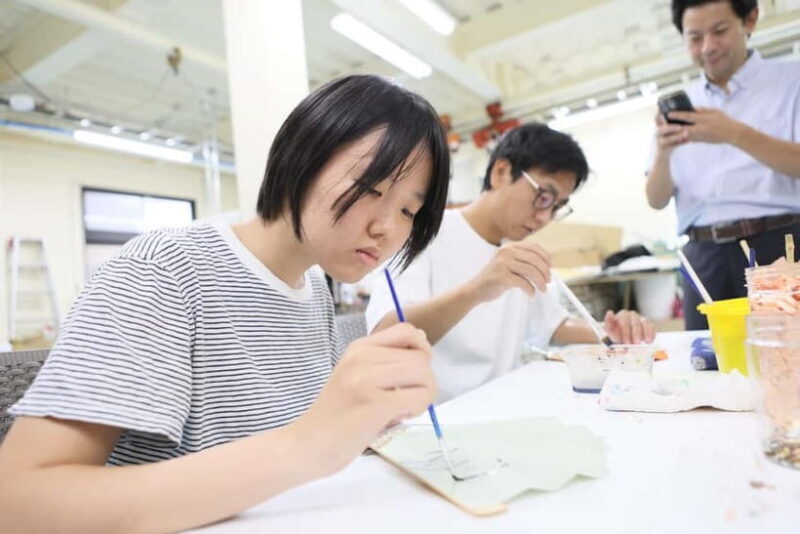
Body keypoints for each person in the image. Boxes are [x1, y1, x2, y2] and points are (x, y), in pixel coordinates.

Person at [0, 75, 450, 532]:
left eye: (408, 211)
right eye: (372, 187)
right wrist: (307, 444)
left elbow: (302, 440)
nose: (387, 229)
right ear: (302, 155)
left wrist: (360, 419)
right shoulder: (163, 270)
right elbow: (17, 504)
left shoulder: (314, 286)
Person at [366, 122, 655, 403]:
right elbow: (386, 335)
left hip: (504, 404)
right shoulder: (424, 234)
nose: (545, 218)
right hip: (440, 413)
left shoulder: (516, 251)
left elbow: (553, 324)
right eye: (544, 197)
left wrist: (609, 332)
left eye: (556, 207)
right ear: (501, 172)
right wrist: (477, 290)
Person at [646, 0, 800, 329]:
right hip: (703, 254)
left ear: (750, 19)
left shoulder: (792, 81)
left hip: (779, 245)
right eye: (694, 37)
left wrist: (734, 133)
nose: (708, 47)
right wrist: (663, 153)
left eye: (719, 31)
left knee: (786, 351)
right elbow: (656, 199)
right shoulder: (683, 105)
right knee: (705, 355)